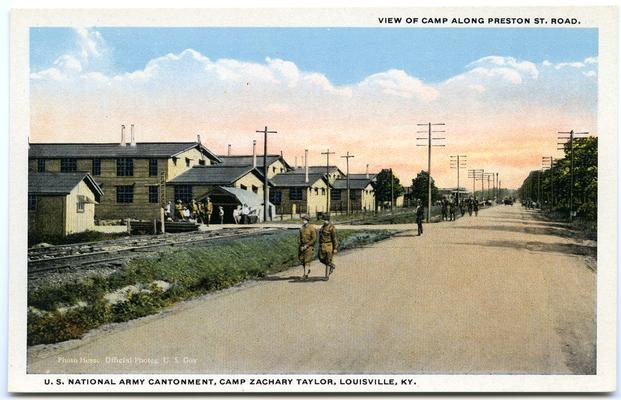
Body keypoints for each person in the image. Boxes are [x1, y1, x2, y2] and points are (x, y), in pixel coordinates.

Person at [318, 214, 338, 280]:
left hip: (329, 245)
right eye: (323, 220)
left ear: (328, 220)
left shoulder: (331, 227)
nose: (324, 221)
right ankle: (331, 265)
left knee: (327, 260)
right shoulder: (322, 227)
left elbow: (334, 238)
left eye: (325, 220)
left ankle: (326, 276)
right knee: (321, 258)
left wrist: (335, 248)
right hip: (322, 245)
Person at [298, 215, 316, 279]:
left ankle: (305, 275)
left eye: (304, 220)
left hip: (309, 247)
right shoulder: (301, 228)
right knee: (302, 259)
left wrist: (307, 245)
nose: (303, 221)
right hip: (302, 246)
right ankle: (307, 270)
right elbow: (300, 238)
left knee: (307, 260)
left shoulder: (311, 228)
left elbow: (314, 239)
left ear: (307, 221)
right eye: (303, 220)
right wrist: (300, 245)